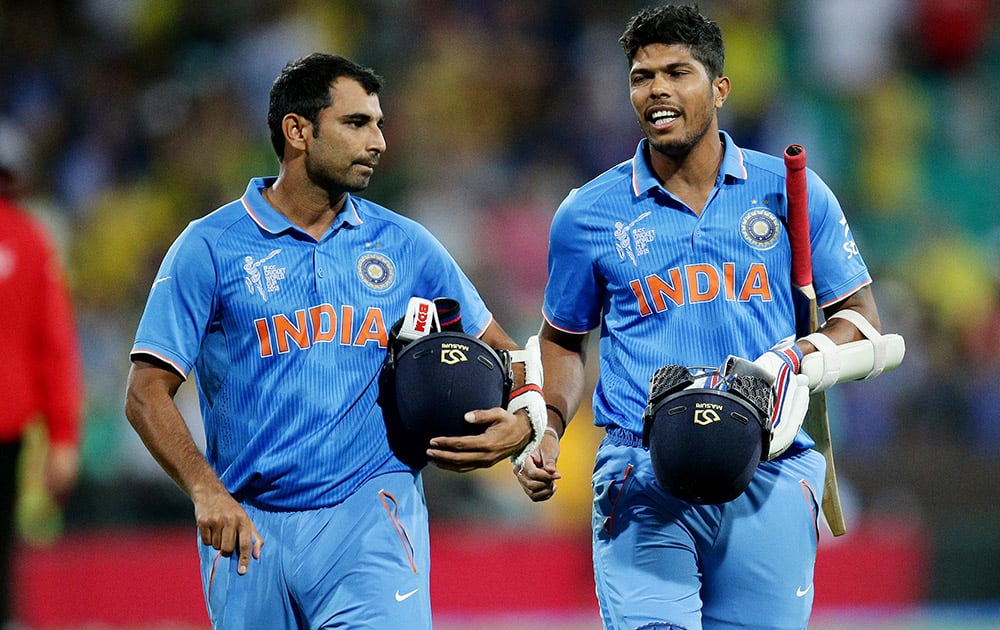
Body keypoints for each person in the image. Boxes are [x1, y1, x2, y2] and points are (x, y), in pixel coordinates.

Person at [125, 53, 536, 629]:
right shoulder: (210, 247)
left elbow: (509, 353)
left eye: (379, 124)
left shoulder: (405, 244)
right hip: (249, 530)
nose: (379, 142)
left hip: (372, 517)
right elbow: (145, 392)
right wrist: (205, 491)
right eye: (356, 123)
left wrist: (525, 423)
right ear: (298, 131)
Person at [516, 5, 885, 629]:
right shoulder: (587, 214)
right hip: (643, 472)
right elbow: (562, 341)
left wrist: (792, 360)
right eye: (642, 76)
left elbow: (860, 320)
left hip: (769, 466)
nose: (656, 89)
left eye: (677, 72)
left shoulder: (790, 191)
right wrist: (547, 425)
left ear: (719, 88)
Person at [0, 120, 84, 627]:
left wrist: (65, 435)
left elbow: (53, 347)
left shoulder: (29, 241)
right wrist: (63, 438)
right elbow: (53, 347)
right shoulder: (30, 239)